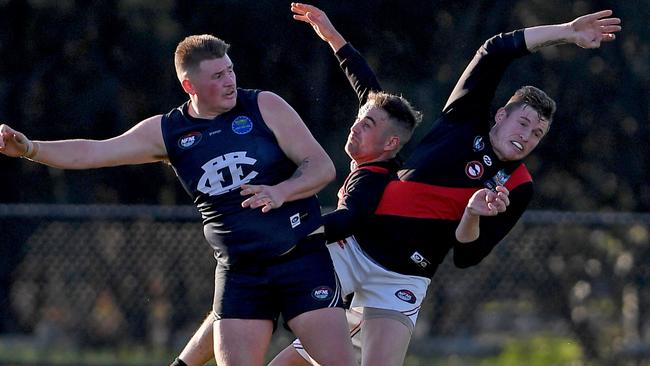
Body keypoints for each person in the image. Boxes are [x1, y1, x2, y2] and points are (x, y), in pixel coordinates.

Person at [267, 3, 621, 366]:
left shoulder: (518, 186)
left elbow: (468, 256)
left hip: (404, 277)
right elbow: (494, 49)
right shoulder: (464, 119)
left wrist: (471, 215)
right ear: (501, 115)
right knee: (270, 319)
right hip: (354, 246)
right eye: (524, 123)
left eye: (537, 133)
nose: (527, 136)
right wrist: (566, 32)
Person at [0, 34, 358, 366]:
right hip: (242, 273)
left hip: (300, 260)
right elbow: (94, 152)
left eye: (230, 69)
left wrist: (281, 191)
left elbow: (321, 167)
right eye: (217, 75)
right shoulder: (167, 131)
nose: (230, 80)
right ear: (190, 85)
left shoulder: (264, 106)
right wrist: (31, 149)